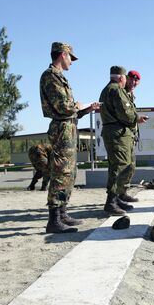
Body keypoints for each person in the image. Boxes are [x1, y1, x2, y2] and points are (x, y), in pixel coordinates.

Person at [40, 42, 100, 234]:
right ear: (62, 55)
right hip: (61, 129)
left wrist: (86, 109)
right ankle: (54, 219)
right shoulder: (50, 76)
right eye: (70, 58)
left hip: (68, 127)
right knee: (60, 172)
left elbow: (69, 111)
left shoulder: (60, 77)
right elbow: (63, 107)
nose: (72, 62)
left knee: (69, 172)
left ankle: (62, 212)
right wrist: (78, 105)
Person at [99, 66, 148, 215]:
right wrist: (136, 118)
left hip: (118, 132)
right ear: (121, 77)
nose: (129, 81)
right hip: (117, 133)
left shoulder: (110, 89)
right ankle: (111, 202)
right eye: (127, 77)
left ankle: (117, 198)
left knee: (124, 165)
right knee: (118, 166)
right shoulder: (116, 90)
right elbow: (125, 114)